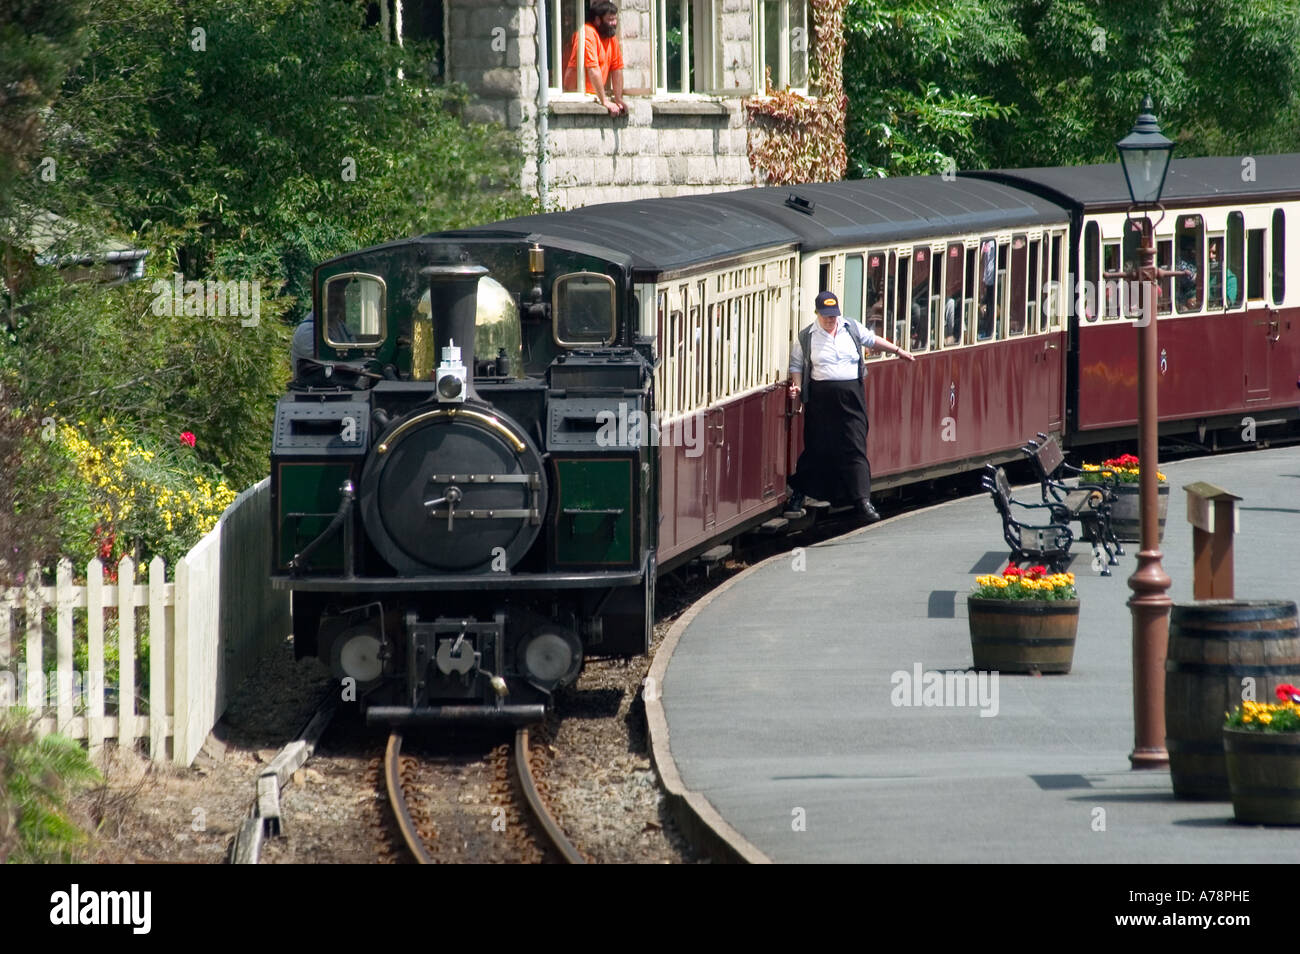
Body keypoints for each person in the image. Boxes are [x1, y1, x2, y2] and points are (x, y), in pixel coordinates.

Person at [785, 290, 916, 523]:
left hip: (852, 397)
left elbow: (871, 340)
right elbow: (796, 365)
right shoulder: (807, 337)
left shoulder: (850, 328)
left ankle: (863, 501)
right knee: (816, 448)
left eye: (833, 315)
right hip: (821, 399)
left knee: (855, 445)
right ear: (817, 314)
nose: (830, 319)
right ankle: (799, 494)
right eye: (826, 316)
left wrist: (897, 351)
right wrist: (796, 387)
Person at [563, 1, 626, 117]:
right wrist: (604, 101)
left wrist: (618, 98)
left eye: (615, 19)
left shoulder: (611, 38)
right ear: (597, 20)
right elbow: (593, 69)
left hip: (593, 95)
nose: (614, 23)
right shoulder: (587, 33)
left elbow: (617, 69)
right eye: (610, 20)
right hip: (576, 95)